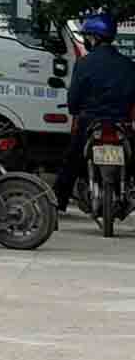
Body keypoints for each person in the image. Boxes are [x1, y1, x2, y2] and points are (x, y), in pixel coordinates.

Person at [54, 13, 135, 214]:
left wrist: (75, 109)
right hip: (121, 123)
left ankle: (57, 204)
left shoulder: (84, 63)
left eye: (87, 37)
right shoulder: (128, 65)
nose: (87, 41)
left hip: (90, 122)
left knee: (71, 162)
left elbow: (74, 98)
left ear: (94, 38)